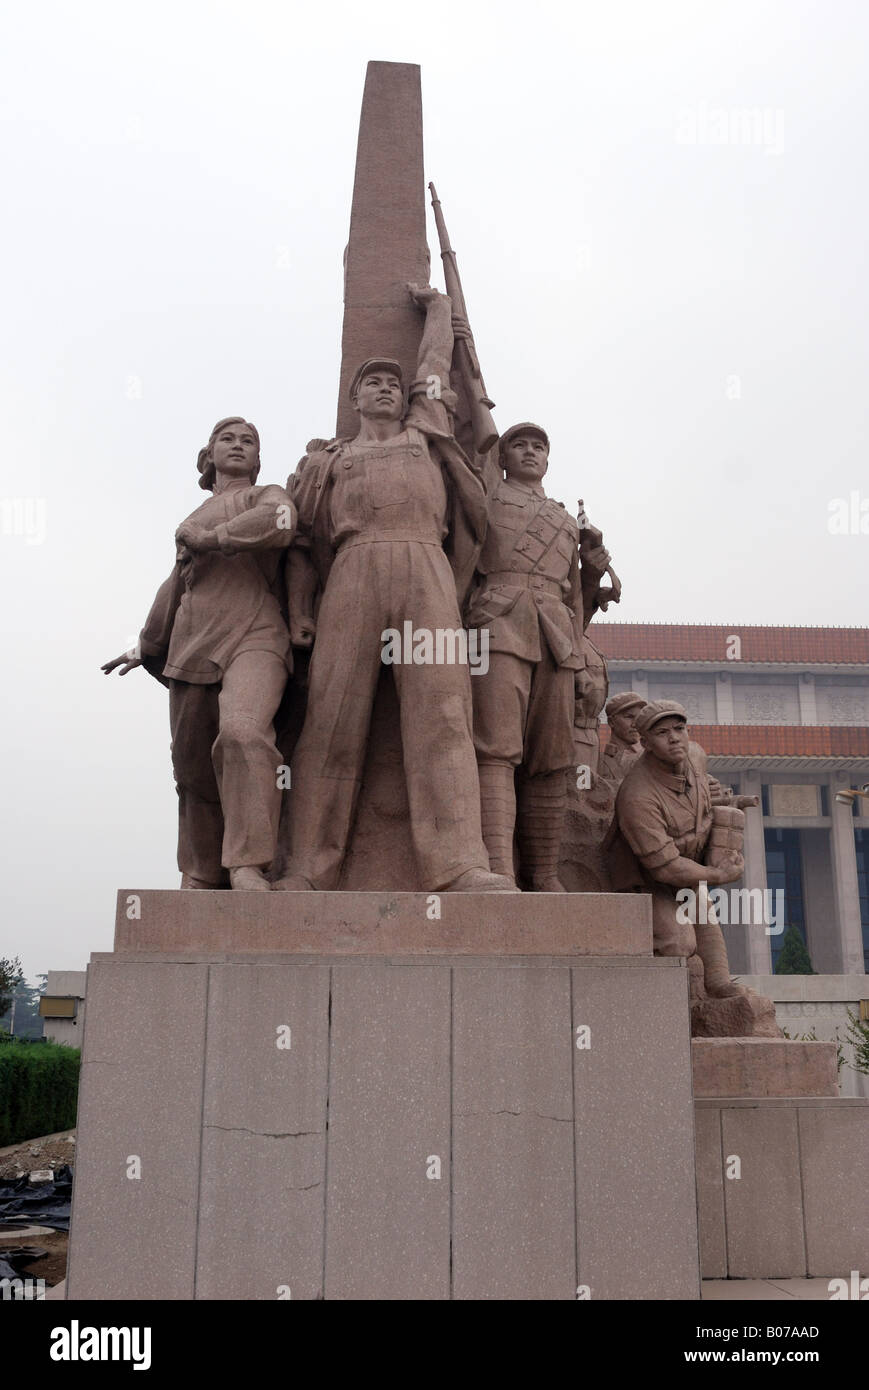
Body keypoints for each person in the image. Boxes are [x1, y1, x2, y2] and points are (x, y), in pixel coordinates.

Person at [274, 285, 515, 893]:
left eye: (390, 382)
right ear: (353, 399)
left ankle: (457, 863)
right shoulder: (327, 462)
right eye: (370, 383)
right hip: (353, 573)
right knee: (330, 720)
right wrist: (302, 612)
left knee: (442, 714)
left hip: (424, 567)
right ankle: (308, 868)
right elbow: (301, 543)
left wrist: (437, 310)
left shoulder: (424, 432)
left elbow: (433, 367)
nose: (383, 388)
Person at [102, 417, 296, 891]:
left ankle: (248, 864)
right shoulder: (191, 519)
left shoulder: (265, 496)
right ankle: (203, 871)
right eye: (227, 439)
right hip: (193, 643)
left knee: (242, 733)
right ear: (208, 457)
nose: (238, 446)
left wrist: (214, 539)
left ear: (258, 459)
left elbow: (281, 523)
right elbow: (178, 588)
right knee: (191, 766)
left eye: (248, 441)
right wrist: (145, 644)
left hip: (256, 633)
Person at [465, 422, 611, 890]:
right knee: (497, 750)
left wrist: (580, 660)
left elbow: (574, 600)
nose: (530, 453)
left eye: (538, 447)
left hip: (555, 636)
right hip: (499, 622)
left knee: (551, 758)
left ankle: (544, 873)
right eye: (519, 446)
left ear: (548, 460)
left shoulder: (566, 521)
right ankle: (498, 868)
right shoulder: (484, 499)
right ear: (502, 458)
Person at [606, 700, 747, 999]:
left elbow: (700, 795)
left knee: (705, 924)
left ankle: (718, 983)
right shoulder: (637, 795)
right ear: (645, 743)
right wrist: (717, 874)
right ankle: (661, 1008)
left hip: (689, 869)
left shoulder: (693, 758)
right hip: (646, 881)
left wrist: (721, 802)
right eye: (662, 733)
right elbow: (665, 867)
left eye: (679, 729)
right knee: (677, 942)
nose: (674, 738)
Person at [601, 691, 644, 784]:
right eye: (629, 717)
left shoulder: (648, 759)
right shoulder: (599, 762)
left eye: (639, 718)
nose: (635, 724)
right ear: (611, 722)